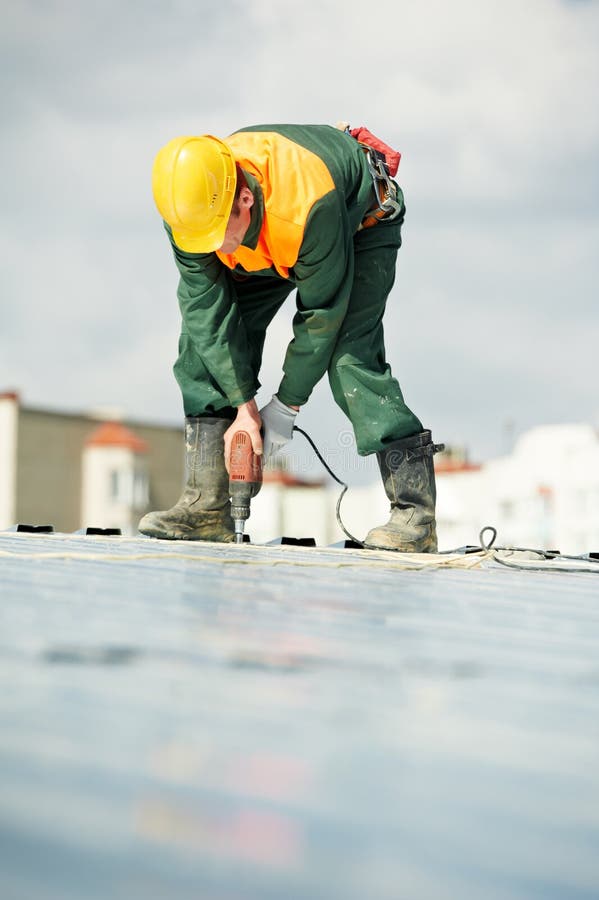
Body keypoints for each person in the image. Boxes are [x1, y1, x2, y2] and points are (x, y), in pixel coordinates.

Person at [138, 123, 443, 551]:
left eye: (218, 238)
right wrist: (245, 409)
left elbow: (322, 316)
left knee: (348, 357)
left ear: (243, 198)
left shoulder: (306, 204)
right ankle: (206, 508)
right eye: (204, 242)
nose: (217, 253)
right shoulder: (190, 211)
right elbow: (206, 311)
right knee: (201, 346)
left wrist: (284, 409)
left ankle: (415, 517)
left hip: (357, 224)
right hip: (269, 239)